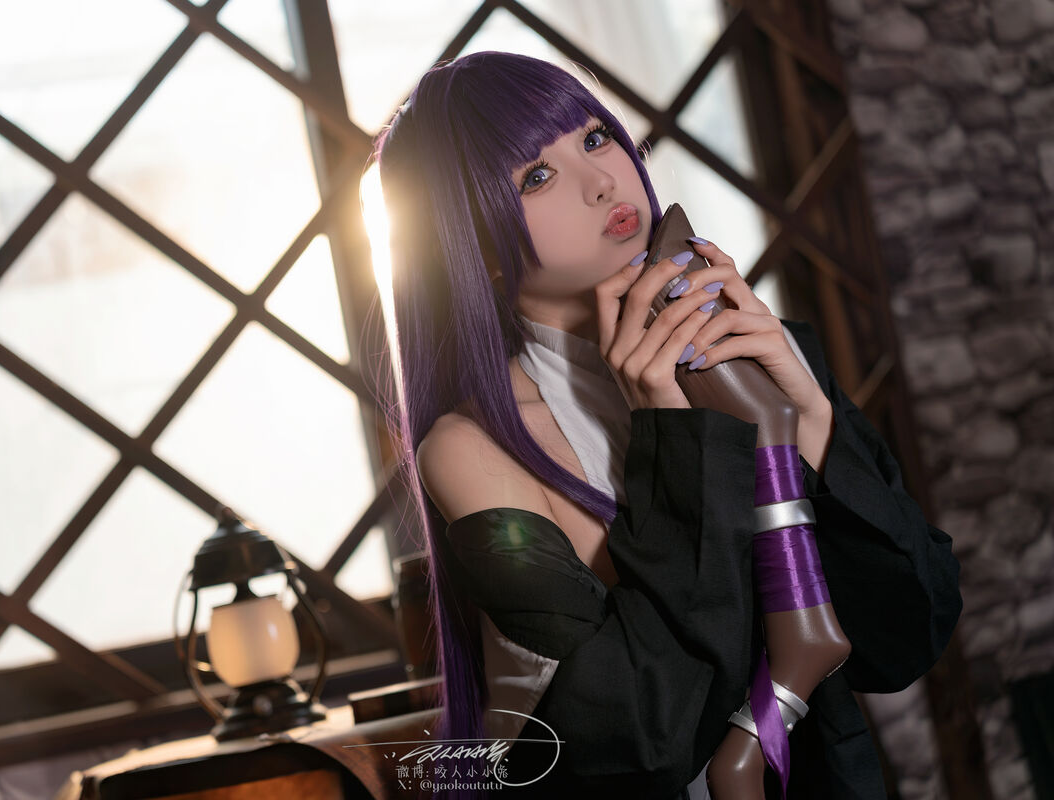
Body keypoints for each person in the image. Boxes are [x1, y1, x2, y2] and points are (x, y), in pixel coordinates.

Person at [371, 51, 961, 799]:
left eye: (594, 138)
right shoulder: (474, 450)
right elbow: (635, 740)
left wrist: (812, 420)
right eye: (536, 177)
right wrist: (672, 438)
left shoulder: (754, 351)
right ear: (474, 249)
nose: (601, 181)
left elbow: (907, 636)